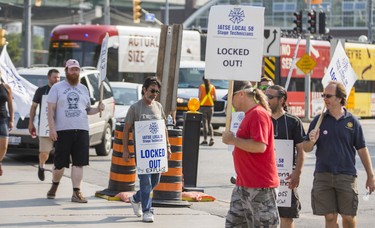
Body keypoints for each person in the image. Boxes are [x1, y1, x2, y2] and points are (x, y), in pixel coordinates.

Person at [303, 81, 375, 228]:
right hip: (323, 175)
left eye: (328, 96)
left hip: (346, 176)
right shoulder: (318, 121)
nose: (325, 99)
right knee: (330, 217)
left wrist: (370, 175)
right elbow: (306, 148)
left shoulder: (352, 122)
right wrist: (311, 140)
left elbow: (362, 149)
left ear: (340, 98)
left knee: (348, 217)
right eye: (323, 95)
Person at [222, 80, 279, 228]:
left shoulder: (258, 114)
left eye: (230, 97)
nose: (230, 102)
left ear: (240, 94)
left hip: (259, 186)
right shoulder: (249, 114)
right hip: (244, 184)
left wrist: (233, 140)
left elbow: (260, 146)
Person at [46, 59, 104, 203]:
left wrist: (98, 109)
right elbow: (50, 110)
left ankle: (76, 192)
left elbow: (88, 110)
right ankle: (54, 184)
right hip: (63, 131)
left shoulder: (83, 88)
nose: (74, 72)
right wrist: (52, 129)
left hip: (82, 130)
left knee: (79, 163)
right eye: (72, 69)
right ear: (66, 71)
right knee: (59, 164)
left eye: (76, 69)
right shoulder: (57, 88)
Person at [122, 76, 172, 223]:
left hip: (157, 152)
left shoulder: (158, 106)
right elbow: (126, 129)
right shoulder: (135, 108)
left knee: (155, 181)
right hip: (142, 152)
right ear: (144, 90)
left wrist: (167, 146)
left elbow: (163, 128)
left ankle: (136, 198)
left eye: (156, 92)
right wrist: (126, 149)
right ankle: (147, 211)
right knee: (145, 182)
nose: (154, 94)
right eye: (152, 91)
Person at [266, 85, 305, 228]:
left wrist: (297, 173)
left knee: (287, 217)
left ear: (282, 99)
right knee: (263, 217)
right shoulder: (262, 118)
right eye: (265, 96)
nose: (266, 100)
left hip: (286, 178)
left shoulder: (293, 121)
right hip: (264, 177)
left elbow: (301, 150)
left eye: (270, 97)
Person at [28, 69, 61, 181]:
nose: (57, 80)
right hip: (45, 126)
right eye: (54, 77)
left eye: (58, 77)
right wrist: (30, 122)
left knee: (60, 153)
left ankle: (55, 175)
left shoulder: (62, 91)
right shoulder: (41, 91)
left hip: (61, 127)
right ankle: (41, 166)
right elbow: (33, 107)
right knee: (44, 152)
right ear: (48, 77)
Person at [0, 82, 14, 176]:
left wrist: (11, 120)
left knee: (4, 145)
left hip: (2, 118)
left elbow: (10, 105)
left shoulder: (6, 87)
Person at [198, 76, 216, 146]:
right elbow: (215, 98)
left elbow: (199, 97)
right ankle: (212, 138)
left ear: (203, 80)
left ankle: (205, 139)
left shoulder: (201, 87)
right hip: (210, 107)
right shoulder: (212, 87)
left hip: (203, 107)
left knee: (204, 123)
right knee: (209, 123)